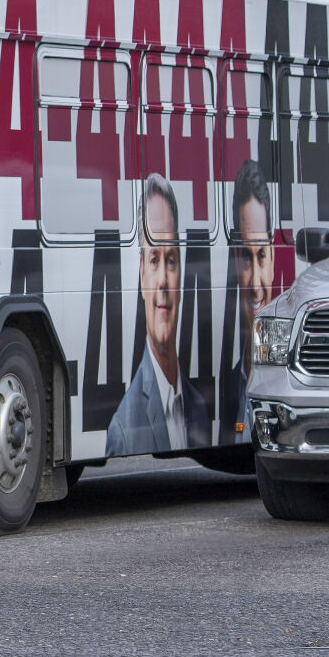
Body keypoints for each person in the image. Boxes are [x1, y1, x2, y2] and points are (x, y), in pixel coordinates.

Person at [106, 174, 211, 455]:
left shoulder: (198, 408)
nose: (164, 280)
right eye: (154, 260)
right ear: (142, 274)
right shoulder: (123, 429)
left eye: (172, 260)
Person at [217, 160, 274, 443]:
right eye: (245, 259)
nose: (254, 285)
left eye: (261, 256)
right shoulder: (224, 386)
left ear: (273, 258)